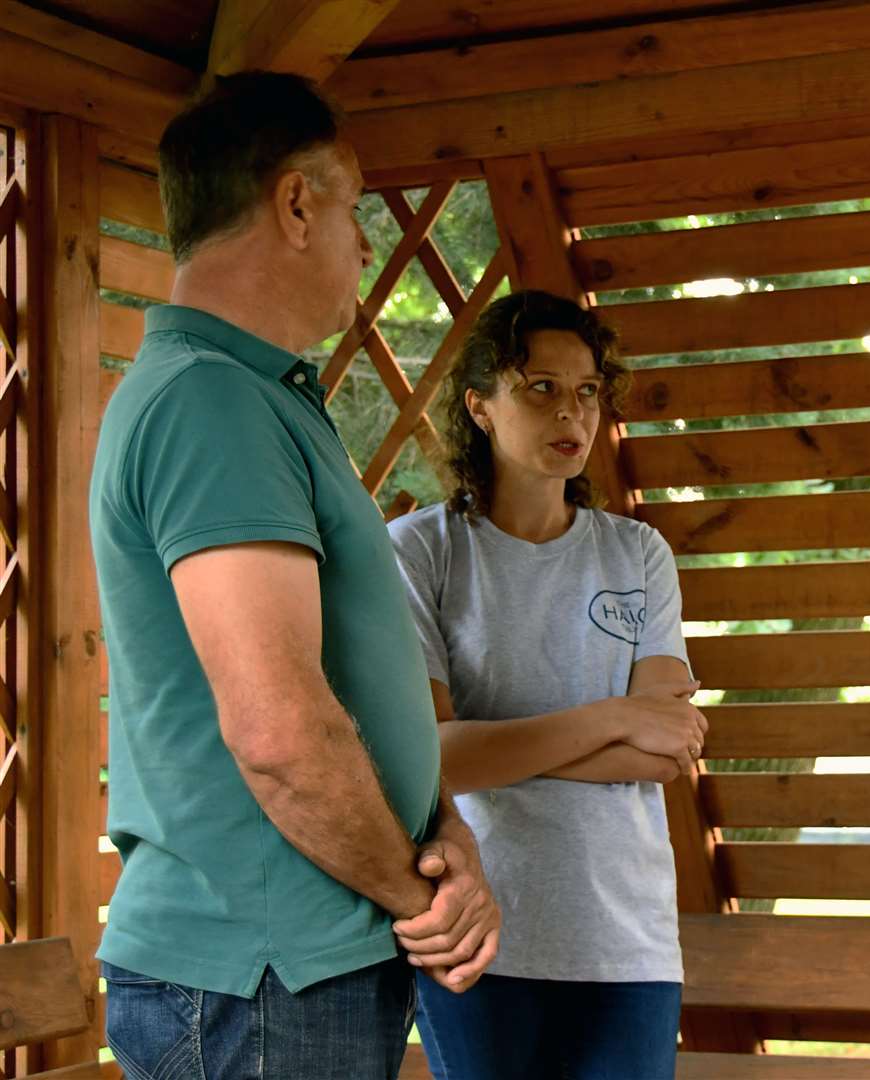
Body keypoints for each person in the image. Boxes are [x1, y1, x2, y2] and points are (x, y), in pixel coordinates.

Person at [90, 72, 499, 1080]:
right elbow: (279, 732)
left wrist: (442, 836)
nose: (367, 245)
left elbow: (361, 688)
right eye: (353, 206)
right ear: (294, 203)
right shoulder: (210, 406)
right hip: (257, 981)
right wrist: (421, 904)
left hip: (289, 965)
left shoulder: (254, 398)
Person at [388, 288, 706, 1080]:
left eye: (588, 391)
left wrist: (492, 744)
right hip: (479, 932)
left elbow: (665, 753)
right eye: (541, 387)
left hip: (628, 941)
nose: (572, 413)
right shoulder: (420, 552)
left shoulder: (638, 555)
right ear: (480, 407)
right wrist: (617, 714)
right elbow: (429, 757)